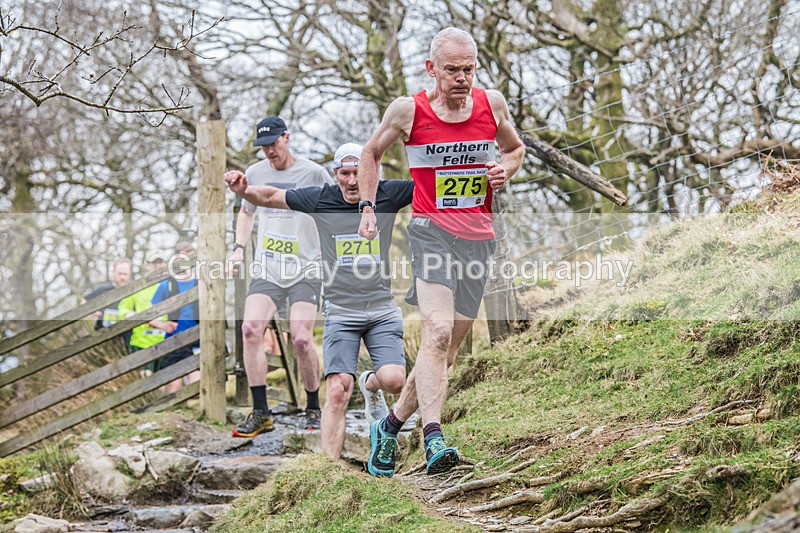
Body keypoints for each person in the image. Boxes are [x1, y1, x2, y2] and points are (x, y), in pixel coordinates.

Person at [357, 27, 525, 476]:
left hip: (479, 236)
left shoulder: (493, 105)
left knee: (445, 353)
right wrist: (369, 207)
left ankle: (388, 427)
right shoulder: (409, 110)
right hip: (431, 231)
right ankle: (434, 439)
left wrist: (503, 169)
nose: (462, 78)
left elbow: (514, 148)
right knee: (436, 332)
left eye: (469, 68)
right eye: (452, 69)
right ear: (432, 68)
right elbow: (369, 153)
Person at [225, 142, 413, 459]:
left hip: (381, 308)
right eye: (345, 174)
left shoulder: (389, 194)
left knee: (395, 381)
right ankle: (328, 470)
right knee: (338, 389)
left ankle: (371, 384)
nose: (352, 181)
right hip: (340, 310)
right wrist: (244, 191)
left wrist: (486, 169)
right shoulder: (321, 198)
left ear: (372, 171)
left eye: (358, 173)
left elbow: (432, 183)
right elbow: (271, 196)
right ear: (335, 174)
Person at [227, 116, 331, 437]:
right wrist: (239, 248)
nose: (269, 151)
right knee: (250, 329)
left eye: (274, 143)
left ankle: (313, 406)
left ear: (287, 137)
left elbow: (334, 208)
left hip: (305, 268)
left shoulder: (314, 172)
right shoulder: (255, 174)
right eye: (263, 146)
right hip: (269, 266)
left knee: (301, 338)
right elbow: (246, 215)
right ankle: (261, 412)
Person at [148, 242, 201, 393]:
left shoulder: (202, 281)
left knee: (197, 383)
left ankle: (201, 415)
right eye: (185, 255)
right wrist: (162, 325)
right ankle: (176, 414)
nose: (189, 259)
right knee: (174, 386)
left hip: (199, 339)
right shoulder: (167, 285)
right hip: (175, 339)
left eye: (192, 255)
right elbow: (148, 315)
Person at [118, 251, 168, 376]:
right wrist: (131, 315)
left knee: (165, 380)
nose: (158, 266)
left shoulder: (172, 285)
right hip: (141, 341)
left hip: (166, 340)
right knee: (145, 377)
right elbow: (123, 308)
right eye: (154, 263)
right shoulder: (138, 286)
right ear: (147, 265)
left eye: (161, 262)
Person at [85, 257, 132, 330]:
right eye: (119, 273)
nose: (122, 277)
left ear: (130, 273)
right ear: (113, 272)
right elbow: (84, 303)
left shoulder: (135, 292)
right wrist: (91, 313)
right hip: (102, 333)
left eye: (125, 274)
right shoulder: (101, 290)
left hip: (126, 334)